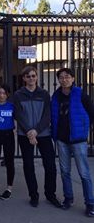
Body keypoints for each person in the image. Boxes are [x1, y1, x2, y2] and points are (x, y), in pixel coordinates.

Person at [13, 65, 62, 208]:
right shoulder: (18, 95)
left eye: (33, 76)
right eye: (28, 76)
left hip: (43, 134)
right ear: (24, 79)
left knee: (50, 165)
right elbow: (18, 115)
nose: (31, 78)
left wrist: (36, 131)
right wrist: (29, 131)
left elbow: (47, 115)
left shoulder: (44, 94)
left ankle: (50, 194)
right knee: (28, 166)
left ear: (36, 77)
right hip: (25, 135)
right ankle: (33, 195)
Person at [51, 68, 94, 216]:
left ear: (73, 78)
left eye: (67, 77)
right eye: (61, 77)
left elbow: (91, 112)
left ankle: (90, 203)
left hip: (78, 140)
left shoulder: (80, 94)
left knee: (84, 173)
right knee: (65, 172)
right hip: (62, 139)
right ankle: (68, 198)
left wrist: (84, 128)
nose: (64, 79)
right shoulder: (56, 96)